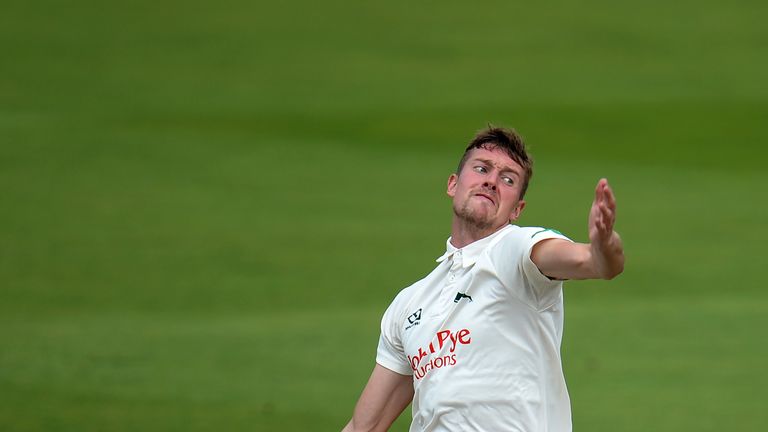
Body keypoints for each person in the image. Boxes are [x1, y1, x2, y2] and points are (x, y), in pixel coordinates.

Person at [342, 126, 624, 432]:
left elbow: (593, 263)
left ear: (517, 209)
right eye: (481, 169)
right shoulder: (408, 305)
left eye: (508, 179)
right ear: (453, 184)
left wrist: (602, 246)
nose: (491, 181)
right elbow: (364, 426)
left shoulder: (516, 250)